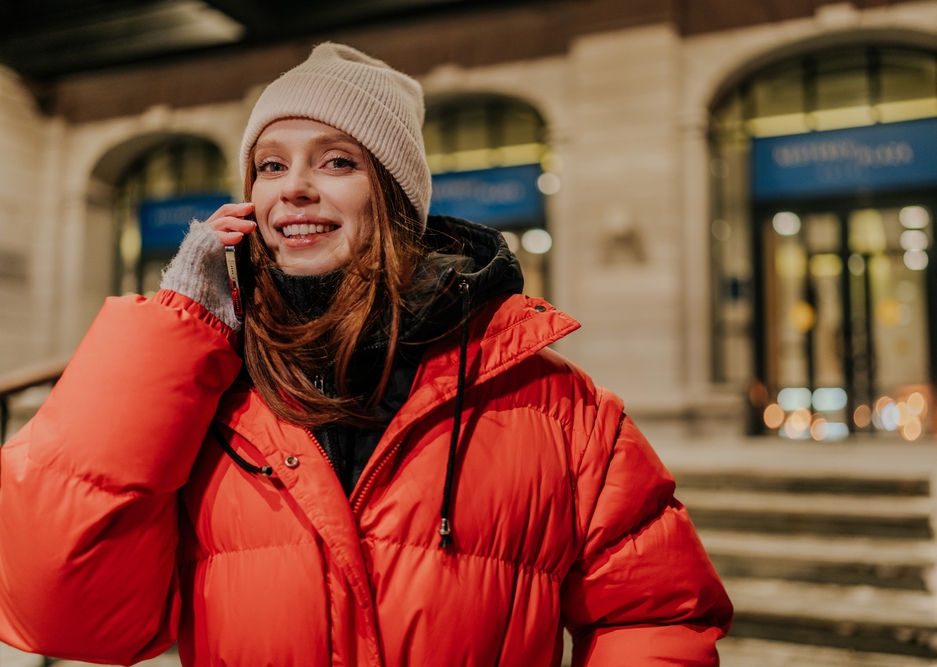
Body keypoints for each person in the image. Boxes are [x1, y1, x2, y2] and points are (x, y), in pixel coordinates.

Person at [0, 43, 731, 666]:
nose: (295, 189)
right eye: (271, 166)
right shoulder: (210, 397)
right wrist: (173, 326)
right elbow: (58, 606)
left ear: (395, 196)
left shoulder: (558, 406)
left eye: (338, 160)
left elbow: (654, 613)